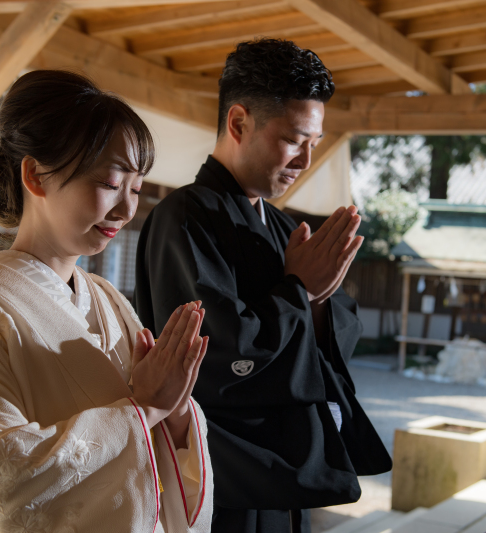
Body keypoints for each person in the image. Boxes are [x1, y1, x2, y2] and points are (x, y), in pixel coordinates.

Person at [0, 70, 213, 533]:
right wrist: (144, 412)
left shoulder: (107, 300)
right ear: (36, 175)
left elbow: (158, 446)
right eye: (110, 182)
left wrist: (176, 411)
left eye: (136, 189)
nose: (126, 210)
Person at [134, 39, 392, 533]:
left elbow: (332, 332)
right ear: (238, 123)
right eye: (295, 139)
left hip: (281, 471)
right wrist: (299, 290)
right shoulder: (185, 218)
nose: (306, 158)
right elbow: (214, 356)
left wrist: (316, 300)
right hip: (225, 474)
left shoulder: (279, 225)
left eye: (314, 142)